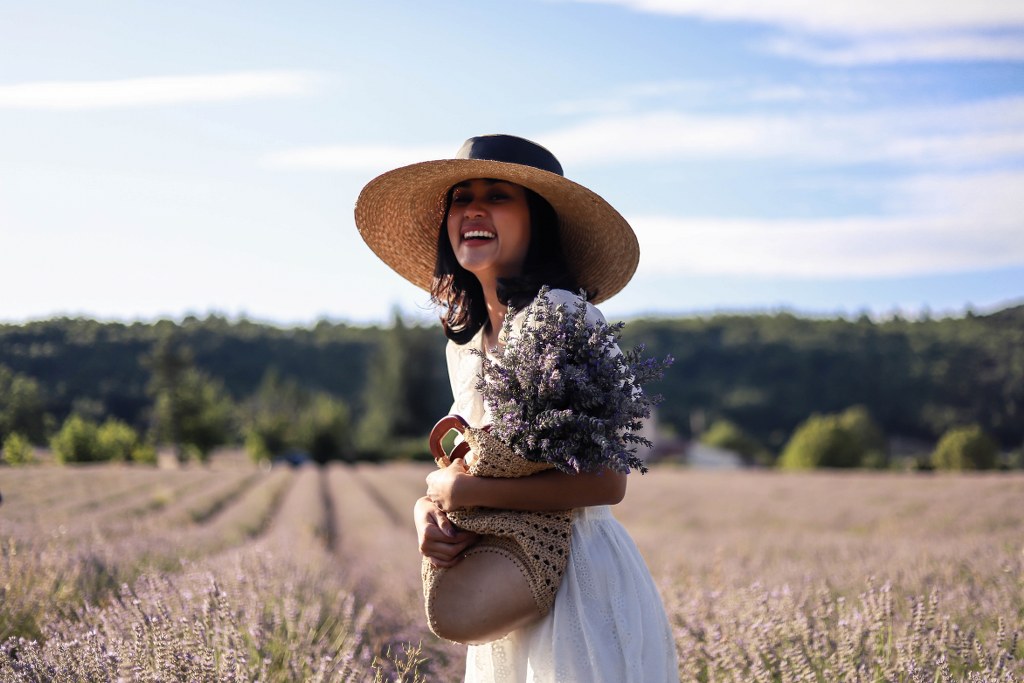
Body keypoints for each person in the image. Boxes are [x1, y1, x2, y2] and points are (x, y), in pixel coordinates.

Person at [355, 134, 678, 682]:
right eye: (462, 197)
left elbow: (606, 483)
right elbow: (465, 462)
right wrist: (427, 513)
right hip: (504, 583)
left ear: (538, 222)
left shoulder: (562, 316)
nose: (474, 209)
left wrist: (473, 494)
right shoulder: (465, 344)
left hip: (579, 587)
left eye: (498, 195)